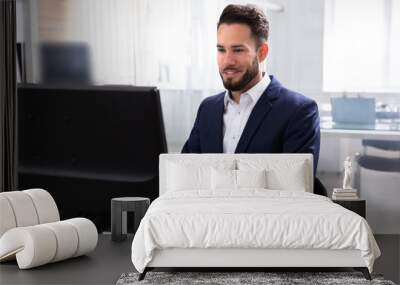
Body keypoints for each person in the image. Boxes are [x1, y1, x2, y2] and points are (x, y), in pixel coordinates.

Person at [182, 4, 320, 173]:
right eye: (221, 50)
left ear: (262, 52)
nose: (227, 61)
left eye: (238, 50)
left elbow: (296, 190)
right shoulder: (207, 109)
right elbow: (186, 175)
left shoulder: (298, 111)